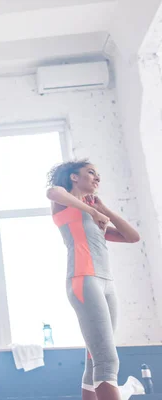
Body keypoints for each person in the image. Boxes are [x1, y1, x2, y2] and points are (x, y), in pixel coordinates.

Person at [46, 160, 140, 400]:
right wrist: (93, 211)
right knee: (107, 360)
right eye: (90, 173)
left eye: (98, 174)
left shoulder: (96, 217)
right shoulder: (63, 204)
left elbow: (132, 237)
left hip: (106, 283)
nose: (97, 178)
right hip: (83, 280)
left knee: (94, 360)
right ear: (74, 177)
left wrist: (104, 209)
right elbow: (52, 191)